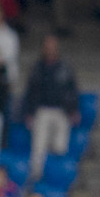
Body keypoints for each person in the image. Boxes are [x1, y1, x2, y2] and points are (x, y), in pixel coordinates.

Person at [23, 35, 77, 177]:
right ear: (43, 49)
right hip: (42, 110)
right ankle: (37, 176)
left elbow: (72, 89)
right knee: (39, 146)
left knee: (60, 147)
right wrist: (29, 112)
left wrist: (73, 110)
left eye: (53, 47)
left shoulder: (65, 67)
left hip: (61, 110)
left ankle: (57, 176)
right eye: (48, 47)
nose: (50, 50)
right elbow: (30, 91)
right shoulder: (37, 67)